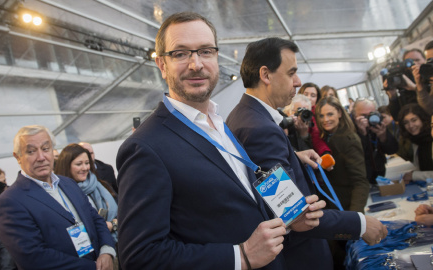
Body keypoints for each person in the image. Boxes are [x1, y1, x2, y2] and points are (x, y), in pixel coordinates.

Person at [116, 12, 325, 270]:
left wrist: (291, 218)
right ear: (162, 65)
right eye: (180, 54)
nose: (196, 64)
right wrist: (241, 256)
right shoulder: (145, 147)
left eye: (205, 51)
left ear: (216, 57)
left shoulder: (219, 124)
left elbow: (241, 204)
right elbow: (139, 257)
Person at [226, 37, 387, 270]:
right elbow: (294, 212)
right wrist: (360, 224)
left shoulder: (245, 116)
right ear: (265, 75)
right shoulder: (259, 129)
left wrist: (293, 157)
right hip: (300, 255)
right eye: (291, 73)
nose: (298, 82)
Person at [0, 125, 115, 270]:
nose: (41, 157)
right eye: (31, 151)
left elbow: (95, 218)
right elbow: (34, 257)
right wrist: (93, 267)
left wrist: (107, 250)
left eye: (45, 149)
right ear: (18, 157)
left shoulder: (68, 183)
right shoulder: (10, 202)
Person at [316, 96, 370, 213]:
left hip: (348, 206)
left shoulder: (349, 140)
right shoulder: (323, 138)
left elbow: (360, 181)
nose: (325, 119)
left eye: (330, 114)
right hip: (333, 206)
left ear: (339, 113)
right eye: (321, 116)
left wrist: (355, 215)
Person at [55, 143, 118, 241]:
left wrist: (113, 224)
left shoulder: (101, 185)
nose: (85, 168)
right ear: (67, 166)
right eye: (79, 164)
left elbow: (121, 212)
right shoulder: (61, 194)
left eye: (87, 163)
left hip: (115, 244)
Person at [353, 98, 399, 184]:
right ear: (355, 115)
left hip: (379, 173)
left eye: (371, 114)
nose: (368, 119)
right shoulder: (350, 129)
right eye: (363, 115)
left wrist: (383, 136)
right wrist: (362, 134)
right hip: (361, 177)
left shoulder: (378, 124)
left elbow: (393, 150)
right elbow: (356, 155)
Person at [396, 104, 433, 184]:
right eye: (406, 122)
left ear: (423, 119)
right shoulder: (416, 141)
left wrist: (414, 175)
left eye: (414, 120)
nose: (411, 126)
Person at [384, 48, 426, 120]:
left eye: (417, 60)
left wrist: (415, 88)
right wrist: (393, 97)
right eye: (409, 62)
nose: (414, 64)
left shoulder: (432, 80)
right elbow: (398, 117)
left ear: (425, 60)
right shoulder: (403, 87)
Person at [297, 83, 331, 156]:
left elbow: (317, 137)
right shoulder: (291, 112)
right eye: (305, 94)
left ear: (317, 99)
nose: (309, 98)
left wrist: (325, 153)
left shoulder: (319, 115)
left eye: (313, 95)